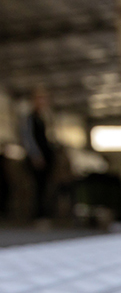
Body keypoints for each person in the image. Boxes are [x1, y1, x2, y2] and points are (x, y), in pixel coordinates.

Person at [21, 87, 55, 221]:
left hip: (46, 155)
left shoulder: (45, 117)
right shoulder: (31, 118)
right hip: (37, 156)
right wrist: (35, 155)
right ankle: (38, 214)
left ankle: (45, 212)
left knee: (46, 185)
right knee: (38, 186)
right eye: (39, 99)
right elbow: (28, 137)